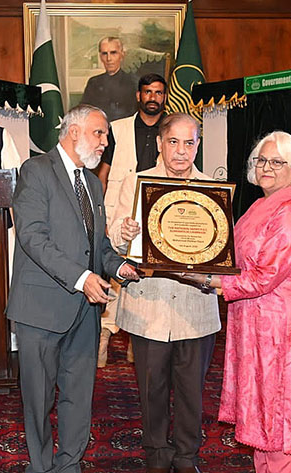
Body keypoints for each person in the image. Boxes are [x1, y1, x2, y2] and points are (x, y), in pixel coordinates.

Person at [179, 131, 291, 473]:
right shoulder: (262, 205)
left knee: (280, 414)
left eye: (276, 162)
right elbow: (231, 256)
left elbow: (263, 276)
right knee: (262, 411)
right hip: (254, 322)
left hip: (281, 330)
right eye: (261, 161)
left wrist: (206, 281)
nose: (266, 168)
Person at [6, 104, 139, 473]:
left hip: (84, 309)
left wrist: (119, 265)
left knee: (79, 395)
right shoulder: (36, 171)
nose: (104, 143)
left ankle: (69, 469)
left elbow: (95, 247)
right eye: (99, 134)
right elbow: (33, 237)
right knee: (39, 396)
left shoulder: (93, 184)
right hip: (41, 308)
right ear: (75, 130)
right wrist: (82, 278)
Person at [110, 112, 220, 473]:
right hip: (149, 305)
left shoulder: (214, 192)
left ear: (198, 146)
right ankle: (157, 457)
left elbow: (221, 247)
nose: (181, 151)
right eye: (173, 142)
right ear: (159, 143)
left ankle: (187, 459)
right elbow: (114, 239)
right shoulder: (136, 182)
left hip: (196, 306)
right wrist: (123, 232)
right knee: (152, 387)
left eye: (189, 143)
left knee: (191, 390)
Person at [96, 73, 167, 367]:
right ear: (138, 96)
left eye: (159, 93)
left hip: (158, 211)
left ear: (164, 97)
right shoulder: (118, 129)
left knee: (148, 274)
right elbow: (102, 172)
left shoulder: (171, 129)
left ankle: (136, 343)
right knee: (114, 273)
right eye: (148, 92)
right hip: (119, 210)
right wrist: (99, 212)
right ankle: (103, 339)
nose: (153, 97)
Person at [80, 37, 137, 122]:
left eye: (113, 53)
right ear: (100, 57)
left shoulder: (134, 82)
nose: (109, 59)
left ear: (122, 55)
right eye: (104, 54)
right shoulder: (93, 83)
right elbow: (84, 112)